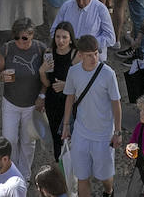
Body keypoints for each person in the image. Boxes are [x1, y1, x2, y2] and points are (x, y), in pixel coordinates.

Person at [61, 34, 122, 197]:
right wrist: (66, 125)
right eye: (89, 55)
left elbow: (116, 104)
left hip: (103, 134)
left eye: (96, 53)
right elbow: (69, 98)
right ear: (80, 55)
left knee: (105, 177)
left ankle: (109, 192)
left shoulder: (108, 73)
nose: (94, 58)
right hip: (81, 133)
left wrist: (117, 132)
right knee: (82, 177)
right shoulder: (73, 72)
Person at [0, 18, 45, 180]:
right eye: (16, 38)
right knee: (9, 140)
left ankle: (25, 175)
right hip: (11, 102)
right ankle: (11, 173)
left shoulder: (41, 49)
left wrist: (42, 96)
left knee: (28, 142)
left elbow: (47, 77)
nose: (20, 42)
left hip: (31, 104)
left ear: (32, 35)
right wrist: (1, 76)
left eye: (24, 38)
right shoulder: (7, 49)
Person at [50, 0, 115, 60]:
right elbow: (53, 31)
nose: (80, 3)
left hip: (92, 57)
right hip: (69, 55)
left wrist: (87, 44)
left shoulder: (100, 9)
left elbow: (110, 38)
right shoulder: (66, 6)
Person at [41, 20, 76, 160]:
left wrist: (66, 85)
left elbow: (82, 82)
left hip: (70, 102)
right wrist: (41, 72)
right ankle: (60, 165)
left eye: (64, 37)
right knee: (56, 136)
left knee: (69, 136)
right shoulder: (49, 53)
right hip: (52, 101)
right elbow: (48, 83)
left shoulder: (76, 55)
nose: (60, 41)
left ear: (71, 39)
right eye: (58, 37)